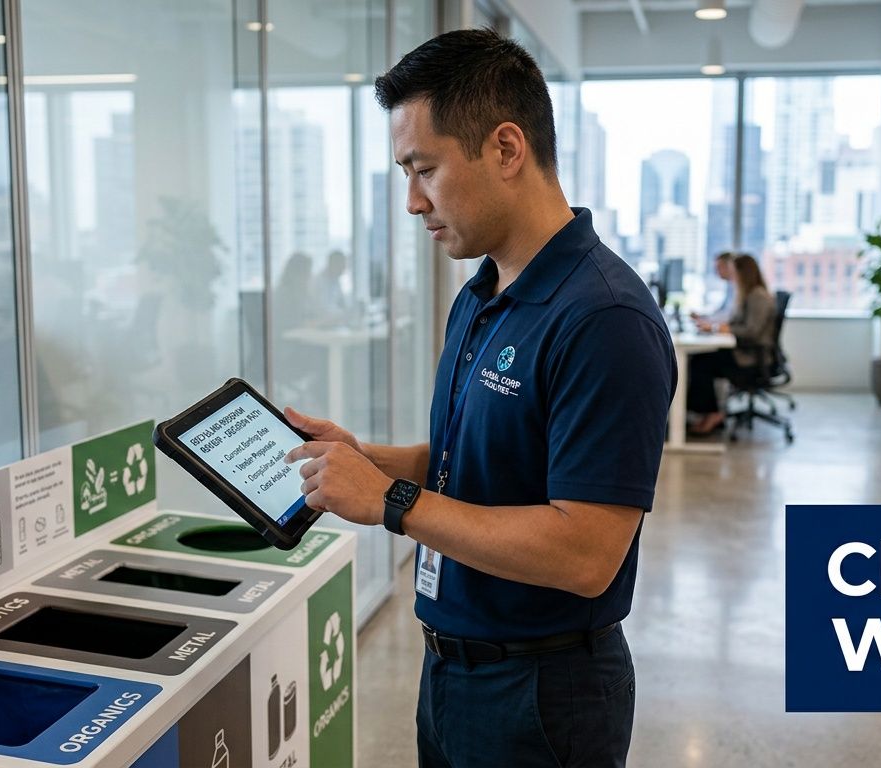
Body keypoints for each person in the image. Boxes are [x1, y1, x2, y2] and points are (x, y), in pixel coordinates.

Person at [280, 28, 676, 768]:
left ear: (504, 148)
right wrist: (365, 458)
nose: (411, 202)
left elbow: (588, 551)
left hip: (542, 692)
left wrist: (392, 503)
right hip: (451, 669)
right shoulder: (483, 293)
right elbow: (478, 458)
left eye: (423, 169)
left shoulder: (603, 319)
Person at [686, 253, 776, 435]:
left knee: (700, 363)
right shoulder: (746, 294)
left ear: (744, 273)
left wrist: (722, 329)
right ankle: (706, 413)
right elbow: (737, 321)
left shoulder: (757, 296)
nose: (731, 275)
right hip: (744, 351)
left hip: (751, 358)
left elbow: (752, 332)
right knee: (700, 359)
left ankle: (712, 414)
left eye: (734, 271)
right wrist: (717, 326)